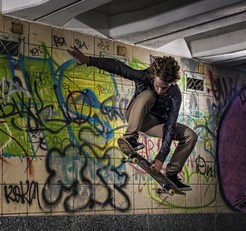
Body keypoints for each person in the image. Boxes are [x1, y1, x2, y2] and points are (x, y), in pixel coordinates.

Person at [67, 46, 197, 191]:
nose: (160, 91)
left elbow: (170, 126)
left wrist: (161, 157)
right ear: (154, 76)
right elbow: (118, 67)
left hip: (155, 125)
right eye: (158, 85)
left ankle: (172, 174)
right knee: (149, 94)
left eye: (164, 88)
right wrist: (88, 60)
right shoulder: (144, 76)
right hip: (137, 116)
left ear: (171, 83)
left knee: (190, 135)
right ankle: (130, 137)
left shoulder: (175, 95)